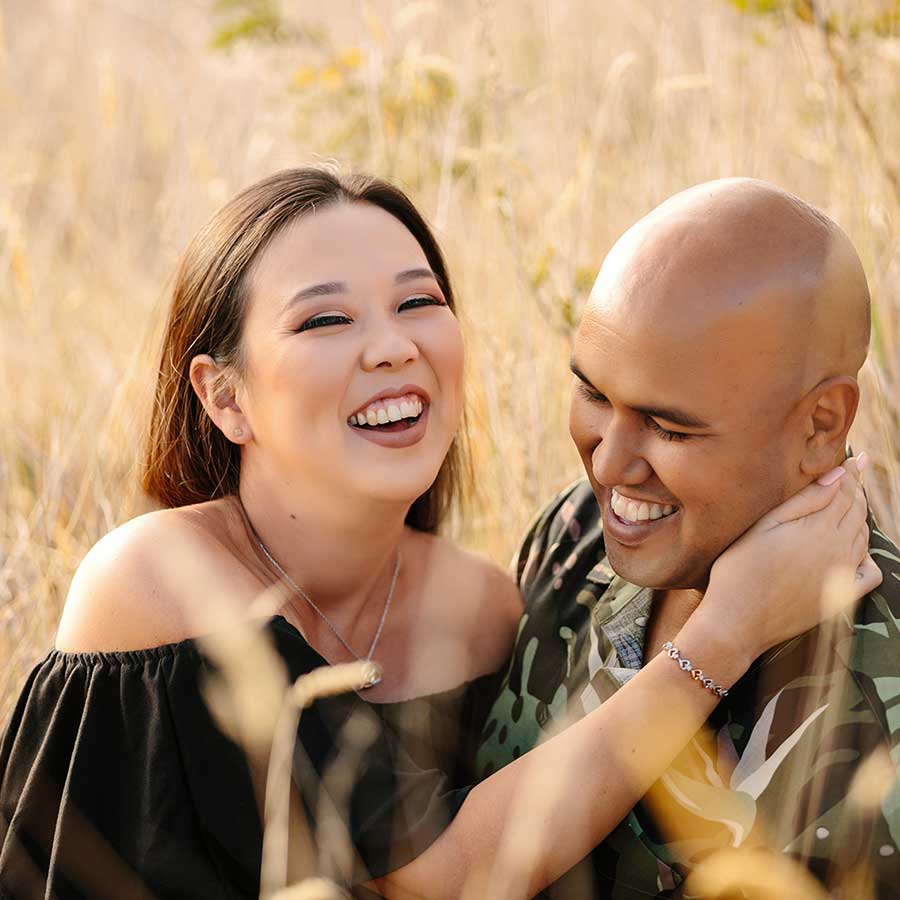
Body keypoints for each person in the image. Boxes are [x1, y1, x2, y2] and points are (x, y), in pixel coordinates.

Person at [0, 169, 878, 900]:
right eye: (325, 319)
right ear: (225, 396)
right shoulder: (157, 580)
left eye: (417, 303)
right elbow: (434, 880)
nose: (391, 348)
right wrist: (731, 630)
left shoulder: (486, 609)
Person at [474, 178, 900, 898]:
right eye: (592, 394)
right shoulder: (575, 537)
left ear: (821, 425)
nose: (606, 465)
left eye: (669, 427)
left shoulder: (873, 704)